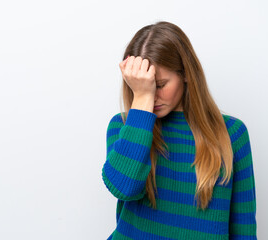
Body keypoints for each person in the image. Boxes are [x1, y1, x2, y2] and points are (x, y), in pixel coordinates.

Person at [101, 21, 257, 240]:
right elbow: (124, 187)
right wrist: (142, 100)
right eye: (144, 86)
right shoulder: (125, 126)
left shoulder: (232, 133)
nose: (153, 96)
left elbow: (244, 229)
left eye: (161, 85)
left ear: (185, 74)